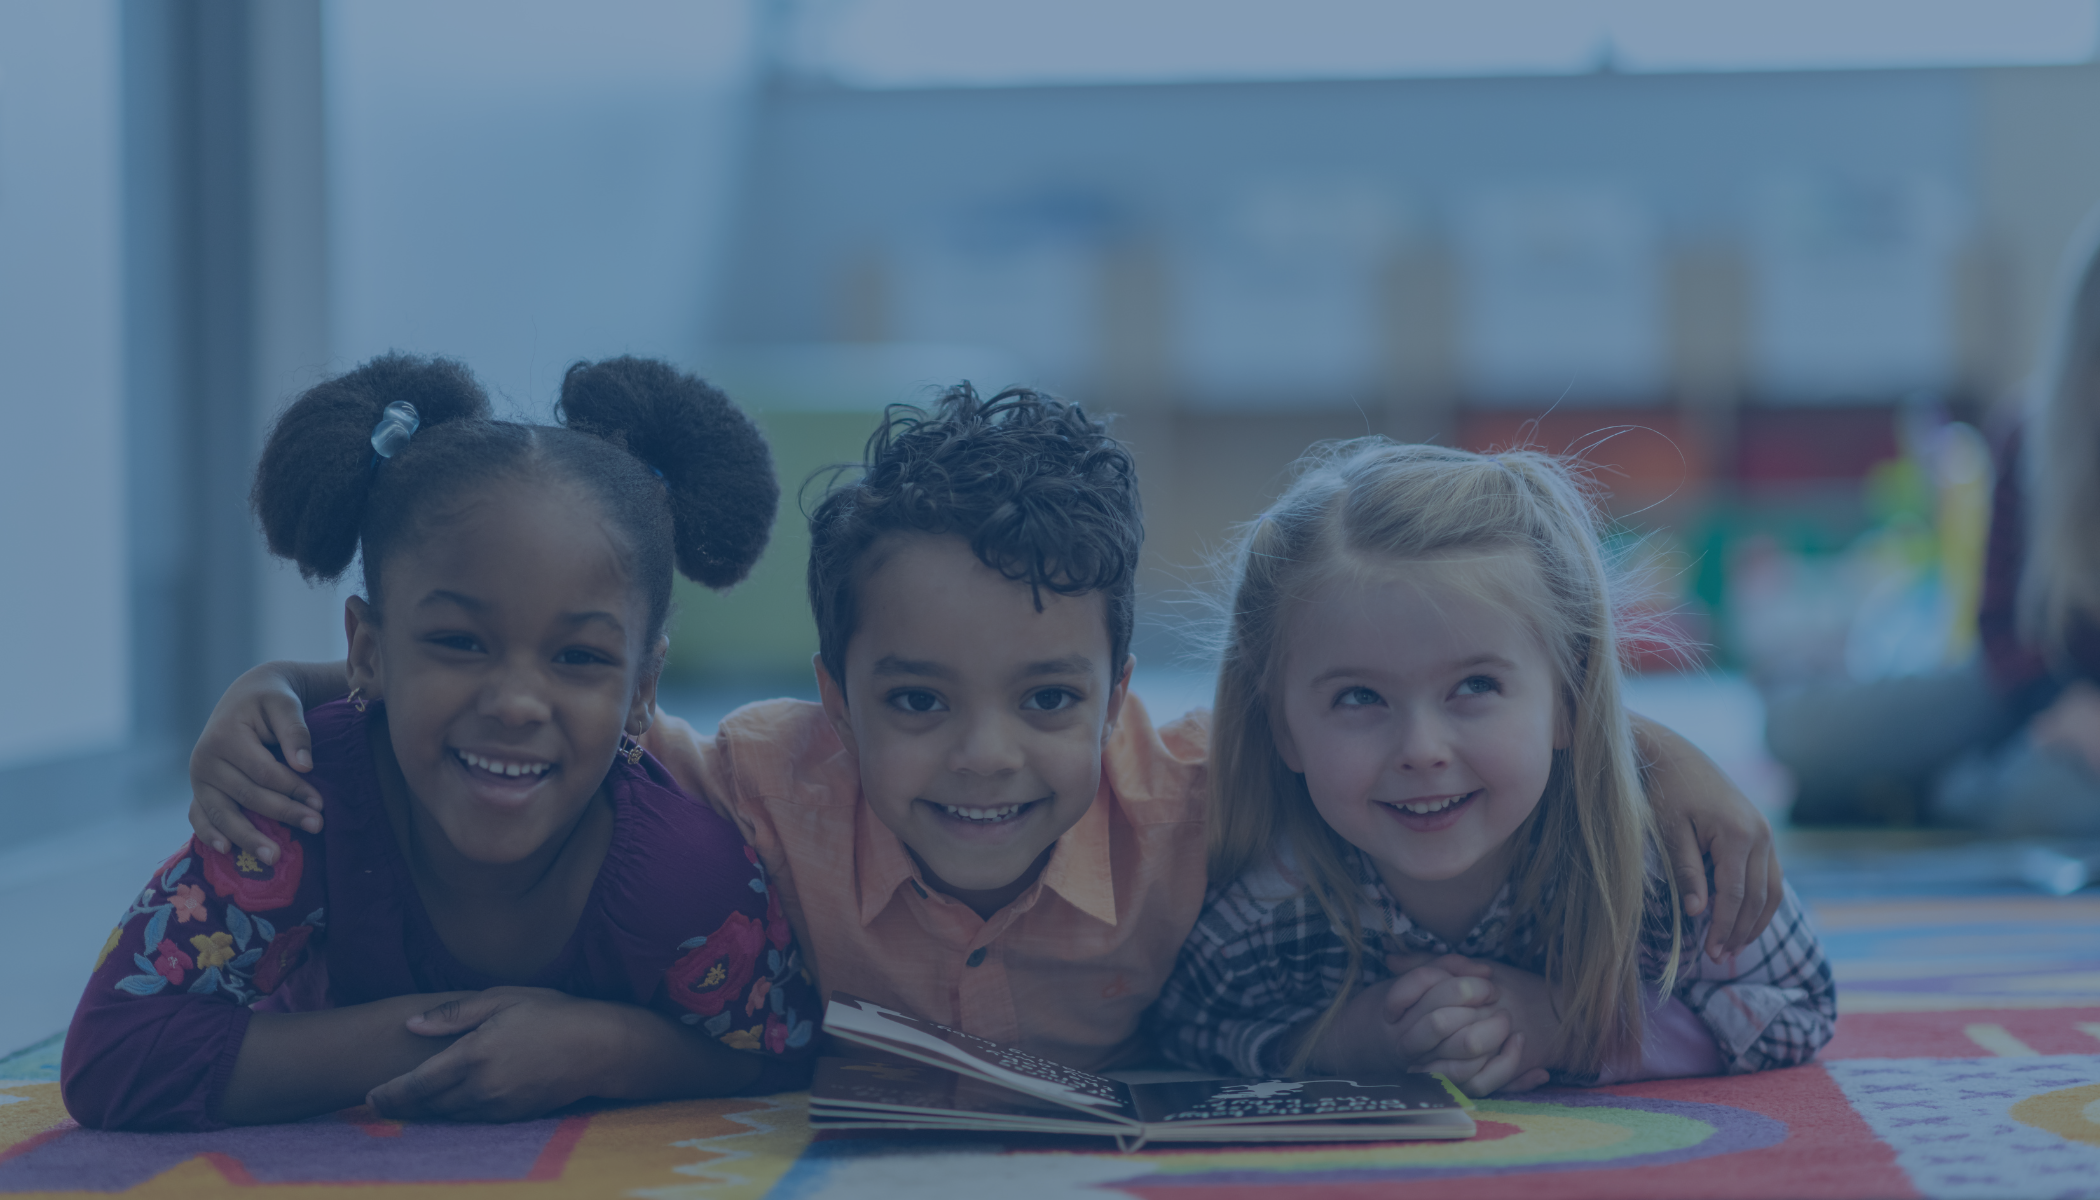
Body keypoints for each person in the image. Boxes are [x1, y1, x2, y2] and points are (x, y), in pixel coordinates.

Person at [185, 387, 1785, 1072]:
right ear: (835, 699)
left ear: (1119, 690)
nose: (985, 758)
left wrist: (1650, 751)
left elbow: (1401, 721)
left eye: (1047, 702)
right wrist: (288, 695)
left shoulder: (1204, 792)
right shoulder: (756, 783)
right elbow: (555, 705)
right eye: (914, 703)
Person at [63, 354, 816, 1131]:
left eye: (580, 657)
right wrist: (433, 1042)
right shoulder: (295, 801)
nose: (518, 704)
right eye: (459, 641)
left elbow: (784, 1045)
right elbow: (113, 1054)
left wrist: (606, 1048)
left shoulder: (685, 876)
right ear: (367, 650)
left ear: (643, 691)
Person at [1153, 441, 1834, 1095]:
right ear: (1284, 731)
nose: (1422, 749)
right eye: (1359, 697)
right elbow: (1184, 1029)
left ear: (1571, 697)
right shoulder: (1269, 906)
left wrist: (1575, 1030)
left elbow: (1798, 1003)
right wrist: (1342, 1044)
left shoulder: (1663, 867)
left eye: (1475, 686)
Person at [1770, 214, 2100, 836]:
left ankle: (1927, 792)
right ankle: (1917, 780)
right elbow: (2002, 628)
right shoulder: (2028, 434)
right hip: (2019, 685)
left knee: (2043, 809)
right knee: (1797, 735)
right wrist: (2064, 707)